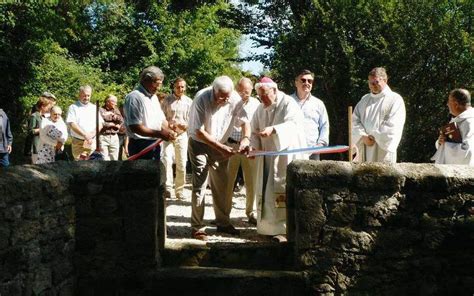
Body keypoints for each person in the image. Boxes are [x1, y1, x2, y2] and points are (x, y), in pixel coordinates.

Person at [188, 75, 251, 240]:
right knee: (199, 185)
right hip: (199, 144)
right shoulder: (201, 98)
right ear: (213, 90)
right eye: (221, 96)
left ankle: (223, 223)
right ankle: (197, 227)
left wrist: (245, 139)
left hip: (220, 145)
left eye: (228, 95)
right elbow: (199, 132)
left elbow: (245, 122)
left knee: (222, 185)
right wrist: (222, 147)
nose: (225, 99)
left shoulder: (234, 98)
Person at [249, 77, 307, 238]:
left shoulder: (288, 103)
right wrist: (254, 147)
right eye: (260, 96)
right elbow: (253, 131)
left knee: (281, 189)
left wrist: (274, 130)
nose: (262, 99)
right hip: (266, 157)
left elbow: (293, 125)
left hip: (285, 156)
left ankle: (283, 229)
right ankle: (266, 228)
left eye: (265, 95)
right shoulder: (260, 108)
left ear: (274, 90)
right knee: (265, 190)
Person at [352, 67, 406, 163]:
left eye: (376, 82)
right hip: (365, 146)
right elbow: (354, 120)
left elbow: (393, 125)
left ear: (385, 80)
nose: (373, 86)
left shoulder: (395, 99)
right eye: (370, 83)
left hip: (383, 149)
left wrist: (373, 136)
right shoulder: (364, 99)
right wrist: (363, 136)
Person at [225, 77, 260, 225]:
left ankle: (251, 213)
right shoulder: (229, 102)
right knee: (227, 180)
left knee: (251, 181)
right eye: (240, 91)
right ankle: (223, 214)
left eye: (246, 92)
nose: (242, 94)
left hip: (248, 147)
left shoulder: (257, 105)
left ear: (251, 90)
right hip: (231, 145)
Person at [124, 66, 176, 160]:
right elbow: (135, 127)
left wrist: (170, 128)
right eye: (156, 83)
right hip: (140, 145)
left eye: (160, 84)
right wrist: (160, 134)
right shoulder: (134, 97)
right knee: (142, 174)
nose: (158, 88)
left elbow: (161, 120)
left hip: (154, 143)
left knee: (154, 173)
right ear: (146, 80)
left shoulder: (154, 97)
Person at [161, 78, 193, 199]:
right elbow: (161, 117)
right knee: (167, 160)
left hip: (182, 134)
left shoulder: (189, 101)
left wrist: (184, 128)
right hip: (168, 134)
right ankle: (168, 188)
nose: (181, 89)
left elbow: (192, 119)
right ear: (173, 87)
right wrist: (169, 127)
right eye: (178, 87)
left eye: (183, 87)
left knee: (181, 162)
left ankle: (179, 190)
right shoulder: (166, 100)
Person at [291, 69, 329, 160]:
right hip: (291, 151)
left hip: (313, 152)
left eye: (310, 81)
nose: (307, 83)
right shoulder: (287, 101)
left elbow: (324, 125)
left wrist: (321, 144)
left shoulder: (318, 104)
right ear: (296, 83)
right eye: (303, 80)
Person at [431, 89, 474, 165]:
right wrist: (440, 142)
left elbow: (467, 152)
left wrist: (446, 144)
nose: (447, 104)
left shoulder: (469, 121)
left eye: (449, 101)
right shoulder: (459, 120)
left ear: (456, 104)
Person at [66, 85, 104, 160]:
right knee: (80, 166)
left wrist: (92, 134)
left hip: (91, 142)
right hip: (79, 142)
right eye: (84, 96)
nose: (86, 98)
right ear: (79, 95)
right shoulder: (73, 107)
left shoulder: (94, 107)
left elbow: (100, 124)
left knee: (92, 166)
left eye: (88, 95)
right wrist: (85, 135)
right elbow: (72, 124)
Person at [27, 96, 52, 164]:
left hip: (42, 146)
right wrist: (42, 129)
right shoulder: (34, 116)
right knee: (34, 168)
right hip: (35, 147)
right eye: (48, 107)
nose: (48, 109)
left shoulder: (44, 117)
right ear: (42, 106)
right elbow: (30, 131)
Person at [99, 94, 123, 161]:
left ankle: (113, 171)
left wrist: (113, 115)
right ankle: (105, 171)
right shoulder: (101, 110)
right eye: (114, 102)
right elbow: (101, 123)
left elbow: (121, 120)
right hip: (103, 136)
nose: (116, 103)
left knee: (114, 158)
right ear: (108, 102)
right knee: (104, 159)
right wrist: (113, 124)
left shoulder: (116, 110)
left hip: (114, 136)